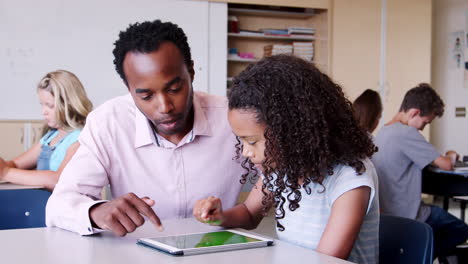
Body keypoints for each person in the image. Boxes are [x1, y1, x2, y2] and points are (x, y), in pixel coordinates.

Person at [45, 20, 245, 236]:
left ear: (191, 72)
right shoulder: (108, 123)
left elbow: (276, 178)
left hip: (217, 255)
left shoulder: (232, 118)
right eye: (146, 96)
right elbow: (58, 206)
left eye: (175, 89)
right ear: (129, 89)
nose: (165, 107)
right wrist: (96, 212)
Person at [193, 55, 380, 263]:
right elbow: (248, 213)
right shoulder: (281, 169)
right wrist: (220, 216)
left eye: (252, 141)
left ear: (292, 132)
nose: (246, 151)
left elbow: (327, 260)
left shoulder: (350, 176)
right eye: (241, 141)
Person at [372, 83, 468, 260]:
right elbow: (446, 165)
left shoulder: (384, 131)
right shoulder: (407, 133)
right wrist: (451, 155)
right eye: (425, 122)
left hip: (387, 214)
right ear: (415, 112)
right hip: (409, 214)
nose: (423, 128)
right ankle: (420, 254)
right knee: (461, 229)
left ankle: (418, 252)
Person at [0, 70, 93, 190]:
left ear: (69, 104)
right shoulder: (50, 137)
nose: (43, 111)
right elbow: (15, 165)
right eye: (42, 104)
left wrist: (6, 172)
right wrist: (4, 167)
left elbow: (57, 180)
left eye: (50, 105)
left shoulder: (80, 139)